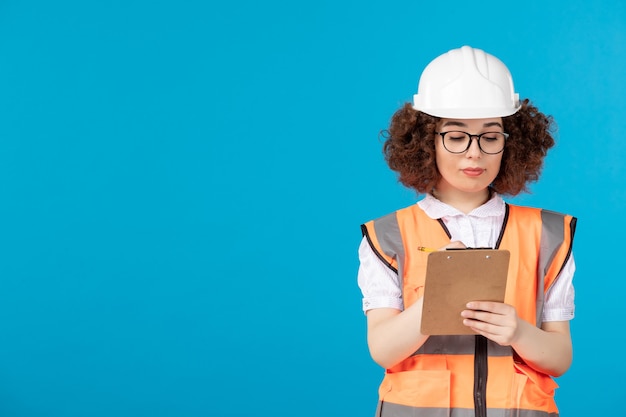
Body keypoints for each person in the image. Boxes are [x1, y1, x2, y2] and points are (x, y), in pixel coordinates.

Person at [357, 45, 577, 417]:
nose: (474, 153)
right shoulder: (388, 235)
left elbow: (559, 358)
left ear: (512, 144)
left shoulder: (549, 233)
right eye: (456, 136)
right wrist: (436, 299)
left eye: (490, 137)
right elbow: (382, 348)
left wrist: (519, 332)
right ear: (427, 142)